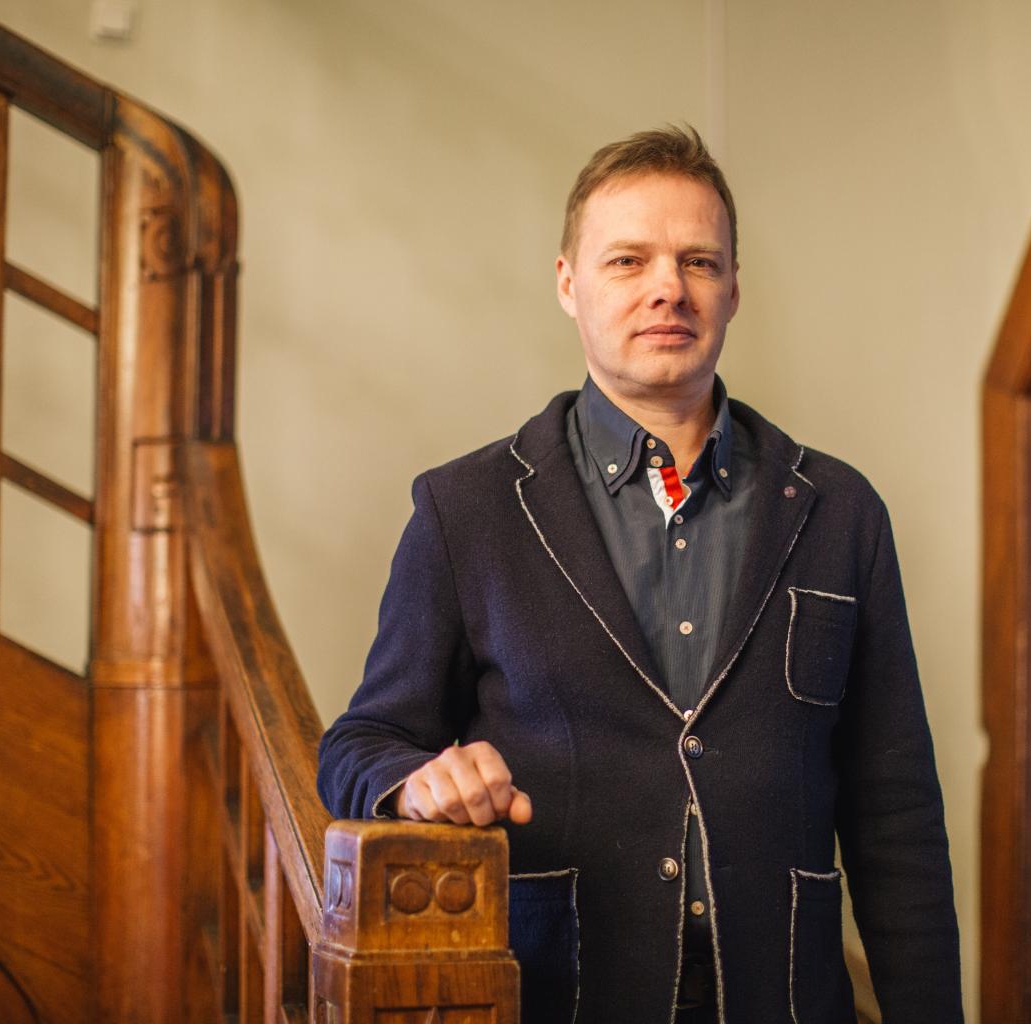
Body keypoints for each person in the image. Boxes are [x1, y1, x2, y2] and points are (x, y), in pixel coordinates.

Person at [317, 125, 961, 1023]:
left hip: (784, 998)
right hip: (563, 996)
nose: (669, 288)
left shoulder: (841, 511)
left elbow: (897, 814)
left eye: (699, 261)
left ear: (733, 290)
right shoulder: (465, 510)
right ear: (568, 283)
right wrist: (414, 780)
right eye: (628, 260)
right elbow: (358, 744)